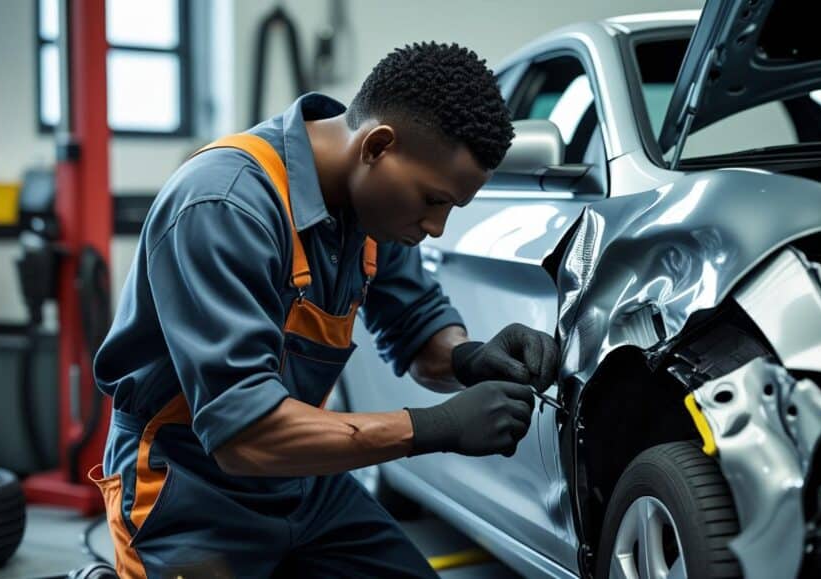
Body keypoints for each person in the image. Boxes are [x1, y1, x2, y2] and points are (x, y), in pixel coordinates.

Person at [91, 41, 559, 578]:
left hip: (302, 482)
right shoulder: (224, 206)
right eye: (434, 201)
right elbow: (243, 436)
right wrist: (435, 427)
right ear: (377, 146)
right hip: (187, 486)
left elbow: (414, 326)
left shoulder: (374, 209)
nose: (436, 228)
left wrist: (469, 357)